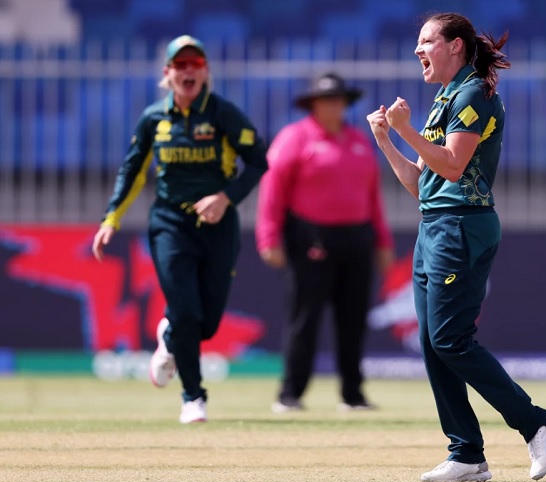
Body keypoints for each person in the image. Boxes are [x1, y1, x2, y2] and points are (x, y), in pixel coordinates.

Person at [366, 13, 546, 482]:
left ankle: (539, 422)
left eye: (426, 41)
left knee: (451, 340)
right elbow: (422, 184)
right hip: (434, 226)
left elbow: (454, 167)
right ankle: (467, 454)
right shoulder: (443, 99)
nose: (418, 50)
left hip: (462, 227)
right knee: (433, 344)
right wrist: (386, 141)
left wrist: (405, 130)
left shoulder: (474, 92)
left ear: (455, 46)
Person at [91, 35, 268, 424]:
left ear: (205, 72)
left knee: (206, 324)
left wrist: (225, 198)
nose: (188, 71)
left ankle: (169, 337)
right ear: (167, 74)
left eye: (195, 64)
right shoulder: (154, 118)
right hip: (170, 223)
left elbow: (258, 161)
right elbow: (132, 170)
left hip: (218, 226)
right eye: (180, 65)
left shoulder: (223, 113)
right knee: (187, 311)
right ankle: (193, 397)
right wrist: (110, 219)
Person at [256, 72, 394, 413]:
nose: (335, 105)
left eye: (339, 99)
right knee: (305, 318)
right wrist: (269, 237)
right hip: (310, 238)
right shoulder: (294, 138)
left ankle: (353, 394)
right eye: (327, 99)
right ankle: (291, 393)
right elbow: (272, 191)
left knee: (353, 319)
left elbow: (372, 195)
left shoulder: (359, 140)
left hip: (357, 238)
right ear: (313, 104)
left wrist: (382, 239)